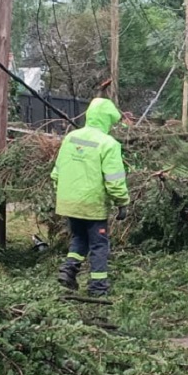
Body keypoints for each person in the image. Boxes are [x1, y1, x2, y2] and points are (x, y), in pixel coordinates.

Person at [53, 97, 130, 296]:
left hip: (69, 203)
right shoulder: (109, 144)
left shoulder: (71, 137)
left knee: (79, 237)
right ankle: (98, 287)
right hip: (93, 204)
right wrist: (122, 203)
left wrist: (65, 194)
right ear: (107, 120)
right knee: (99, 244)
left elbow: (57, 172)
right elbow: (114, 180)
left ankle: (68, 270)